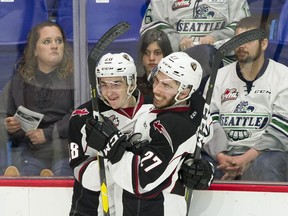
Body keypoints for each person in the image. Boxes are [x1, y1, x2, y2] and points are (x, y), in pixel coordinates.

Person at [86, 52, 214, 216]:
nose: (156, 89)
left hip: (154, 208)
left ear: (184, 93)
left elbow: (140, 180)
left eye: (166, 85)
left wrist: (111, 145)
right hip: (134, 207)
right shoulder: (194, 107)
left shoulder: (171, 126)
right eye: (156, 80)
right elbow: (203, 121)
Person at [202, 15, 288, 181]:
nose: (240, 45)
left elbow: (281, 130)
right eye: (237, 39)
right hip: (224, 157)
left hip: (265, 155)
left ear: (263, 43)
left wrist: (246, 159)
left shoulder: (283, 77)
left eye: (247, 40)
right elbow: (208, 121)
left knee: (265, 165)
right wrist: (221, 156)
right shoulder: (218, 77)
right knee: (199, 167)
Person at [68, 52, 153, 215]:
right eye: (104, 84)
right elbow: (82, 173)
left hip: (137, 207)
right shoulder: (84, 117)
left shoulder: (154, 110)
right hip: (91, 208)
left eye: (116, 84)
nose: (109, 92)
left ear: (131, 82)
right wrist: (114, 157)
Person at [1, 20, 74, 176]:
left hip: (65, 150)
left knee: (62, 173)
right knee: (27, 174)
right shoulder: (19, 81)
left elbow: (81, 115)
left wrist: (46, 133)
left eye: (58, 41)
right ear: (34, 50)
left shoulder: (75, 78)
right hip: (31, 151)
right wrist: (9, 126)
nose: (54, 46)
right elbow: (2, 115)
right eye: (47, 41)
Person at [141, 0, 250, 58]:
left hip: (221, 62)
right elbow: (151, 26)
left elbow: (245, 27)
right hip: (176, 64)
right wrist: (178, 39)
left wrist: (216, 36)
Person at [137, 21, 180, 96]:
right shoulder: (134, 87)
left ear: (166, 55)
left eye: (157, 53)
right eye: (146, 53)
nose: (151, 58)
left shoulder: (177, 86)